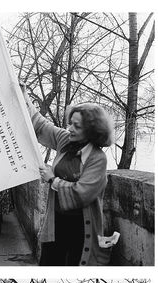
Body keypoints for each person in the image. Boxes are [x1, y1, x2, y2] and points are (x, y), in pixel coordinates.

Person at [26, 93, 114, 266]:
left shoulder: (97, 158)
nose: (70, 129)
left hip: (81, 227)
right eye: (70, 123)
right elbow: (41, 125)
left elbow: (82, 194)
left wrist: (53, 180)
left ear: (91, 131)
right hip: (56, 221)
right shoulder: (65, 140)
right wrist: (23, 97)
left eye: (77, 126)